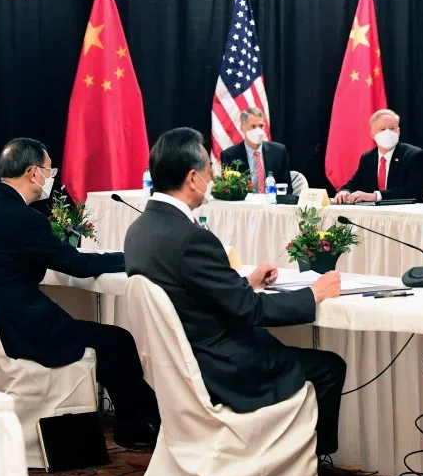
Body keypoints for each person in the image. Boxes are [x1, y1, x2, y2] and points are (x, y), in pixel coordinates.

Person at [124, 128, 346, 458]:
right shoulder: (191, 238)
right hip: (220, 367)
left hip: (181, 366)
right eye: (210, 169)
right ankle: (308, 472)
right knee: (329, 367)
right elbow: (250, 311)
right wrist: (312, 293)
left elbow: (190, 291)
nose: (213, 175)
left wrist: (247, 282)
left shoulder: (139, 229)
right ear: (193, 179)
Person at [0, 138, 159, 447]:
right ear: (33, 172)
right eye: (49, 171)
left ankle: (138, 422)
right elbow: (76, 265)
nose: (50, 178)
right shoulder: (25, 219)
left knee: (106, 341)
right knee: (117, 340)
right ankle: (140, 425)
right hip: (22, 330)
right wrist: (129, 257)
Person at [331, 109, 423, 203]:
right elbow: (354, 184)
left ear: (398, 131)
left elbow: (413, 191)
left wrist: (375, 196)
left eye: (392, 128)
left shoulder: (413, 155)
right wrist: (345, 192)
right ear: (373, 134)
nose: (388, 133)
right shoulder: (368, 158)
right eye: (382, 129)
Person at [220, 107, 292, 192]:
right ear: (242, 128)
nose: (258, 130)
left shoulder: (279, 152)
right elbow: (227, 190)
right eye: (253, 126)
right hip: (243, 204)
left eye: (261, 126)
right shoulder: (229, 155)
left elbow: (287, 188)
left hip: (272, 202)